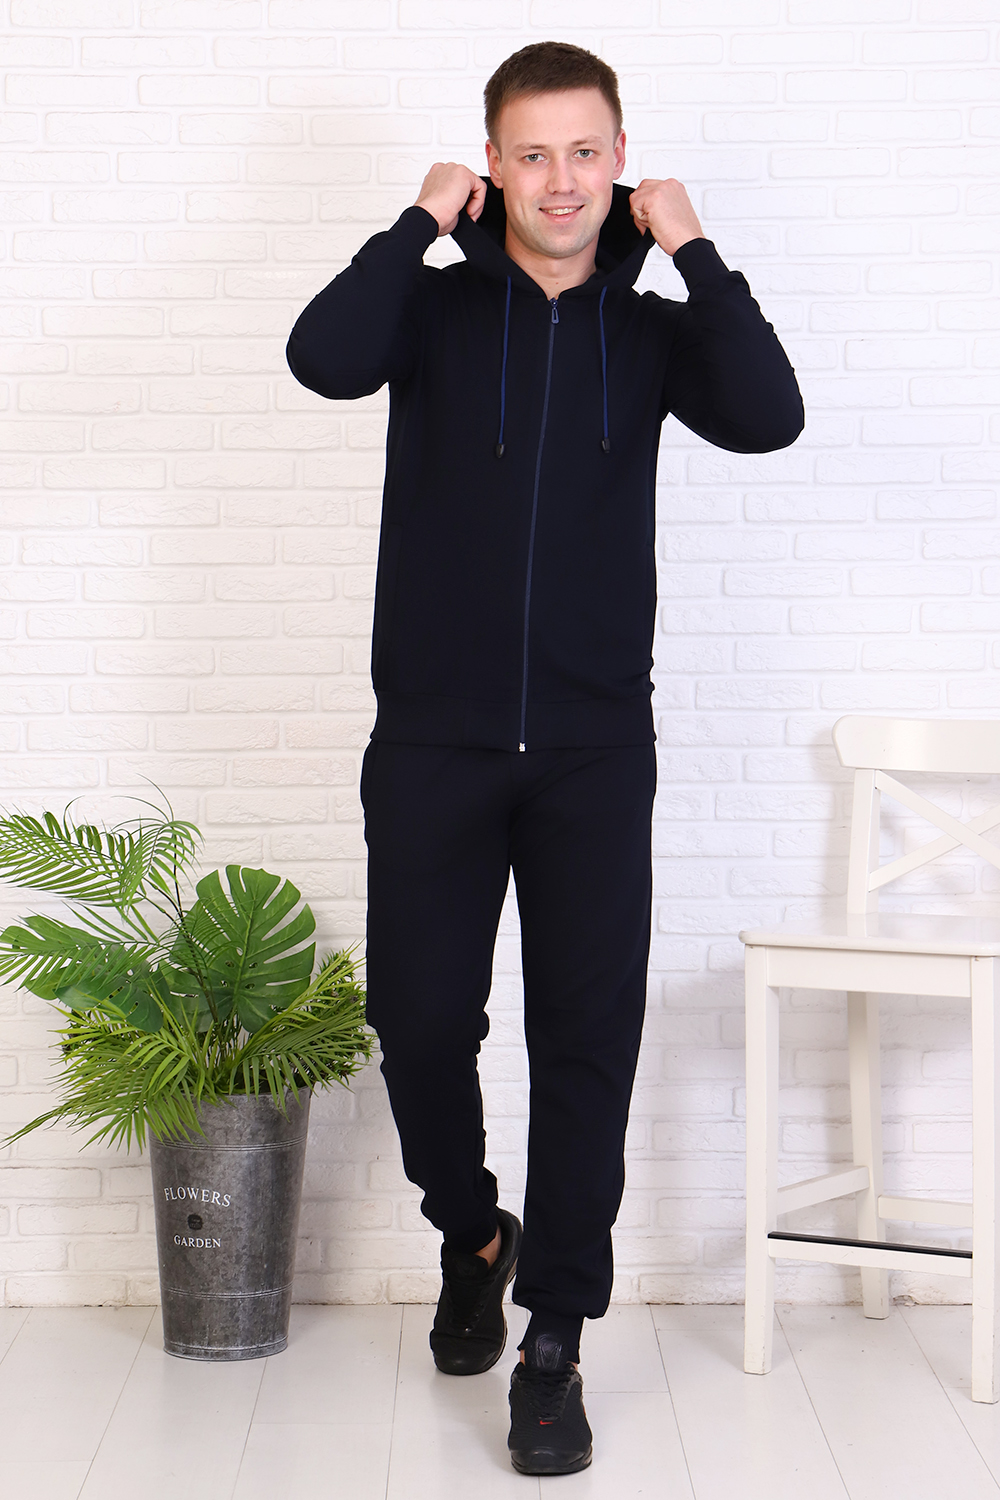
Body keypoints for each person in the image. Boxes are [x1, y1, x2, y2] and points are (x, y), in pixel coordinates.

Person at [286, 39, 803, 1478]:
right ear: (493, 165)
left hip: (592, 753)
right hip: (433, 744)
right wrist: (414, 222)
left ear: (619, 161)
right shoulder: (435, 312)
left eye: (586, 152)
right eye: (531, 154)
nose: (560, 180)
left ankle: (555, 1338)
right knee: (419, 1023)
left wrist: (694, 249)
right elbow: (322, 358)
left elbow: (770, 416)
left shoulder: (654, 335)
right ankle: (473, 1233)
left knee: (585, 1044)